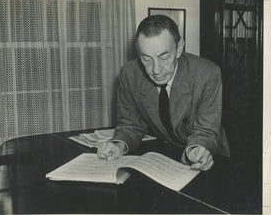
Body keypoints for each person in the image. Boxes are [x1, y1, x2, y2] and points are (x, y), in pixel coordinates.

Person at [97, 15, 230, 171]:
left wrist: (195, 151)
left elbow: (206, 131)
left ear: (179, 48)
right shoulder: (129, 73)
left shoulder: (207, 73)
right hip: (165, 154)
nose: (156, 69)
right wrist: (119, 145)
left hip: (208, 157)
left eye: (164, 56)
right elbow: (130, 124)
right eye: (146, 58)